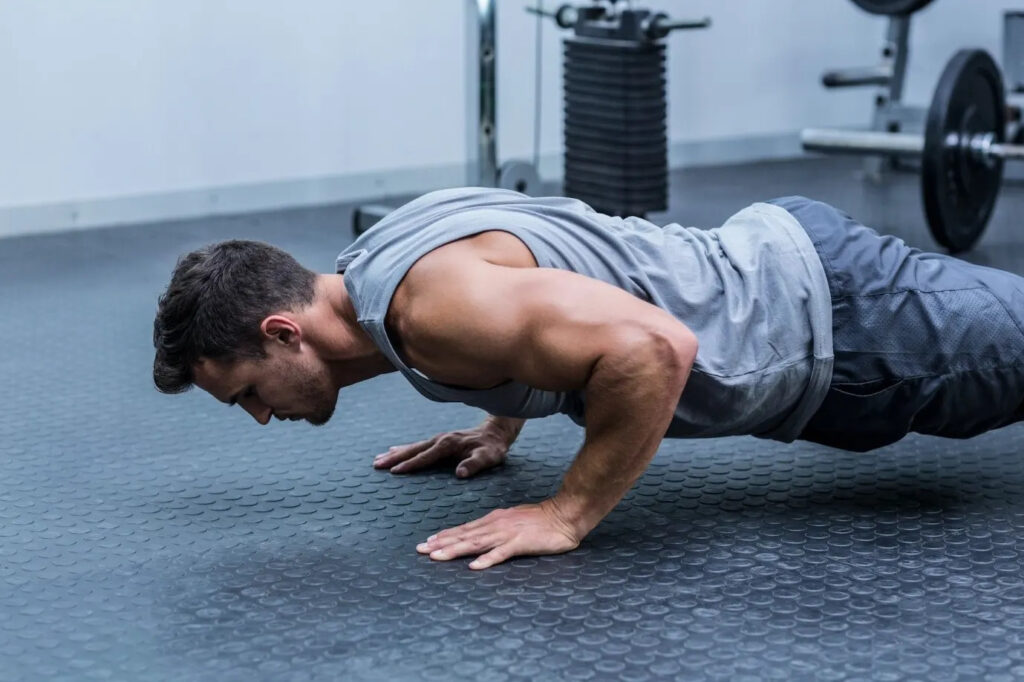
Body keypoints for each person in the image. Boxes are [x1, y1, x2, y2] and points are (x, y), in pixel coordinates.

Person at [152, 188, 1024, 569]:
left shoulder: (431, 312)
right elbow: (553, 267)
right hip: (797, 271)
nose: (262, 417)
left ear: (283, 332)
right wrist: (501, 416)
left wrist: (565, 514)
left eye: (250, 394)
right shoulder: (381, 264)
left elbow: (654, 349)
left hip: (841, 327)